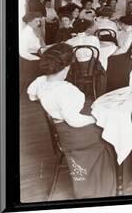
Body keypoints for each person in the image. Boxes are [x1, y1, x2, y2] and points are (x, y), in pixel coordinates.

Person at [26, 43, 116, 198]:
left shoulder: (40, 81)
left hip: (61, 132)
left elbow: (31, 95)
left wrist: (49, 106)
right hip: (74, 136)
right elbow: (74, 121)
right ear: (67, 67)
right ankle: (104, 187)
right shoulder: (67, 90)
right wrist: (95, 119)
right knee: (111, 133)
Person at [106, 15, 132, 91]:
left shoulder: (130, 33)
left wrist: (112, 54)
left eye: (122, 24)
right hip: (121, 52)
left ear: (126, 24)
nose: (121, 25)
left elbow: (124, 49)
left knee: (109, 59)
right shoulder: (124, 31)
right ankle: (111, 85)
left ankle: (115, 85)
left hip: (125, 56)